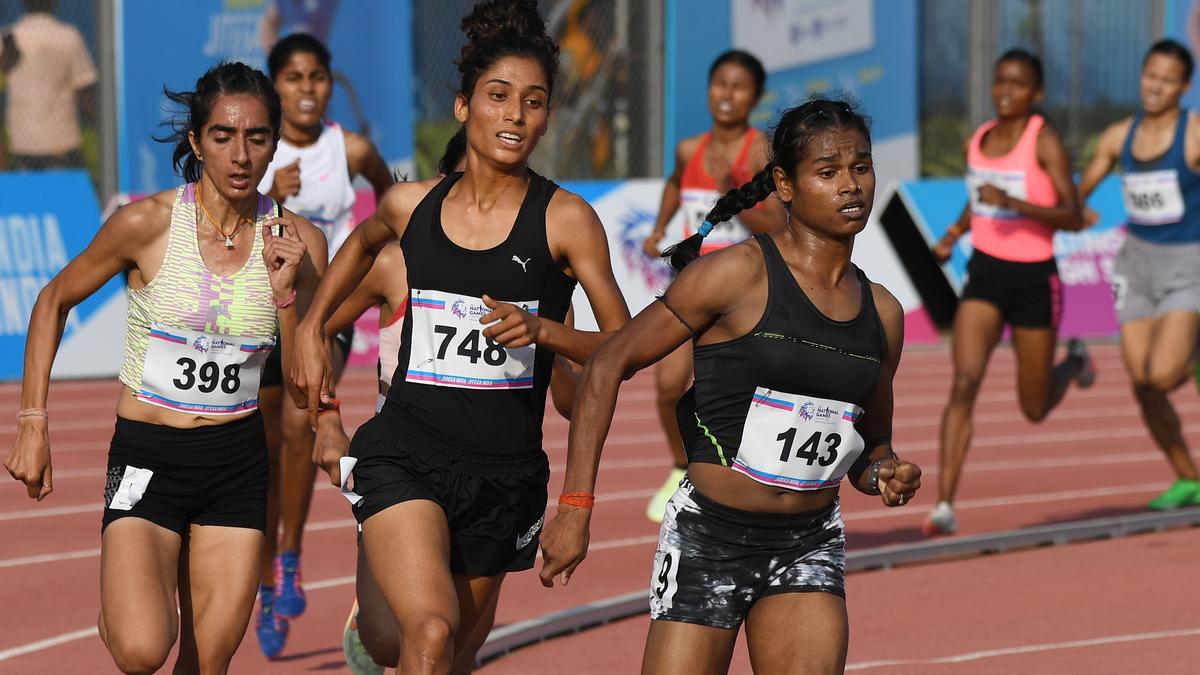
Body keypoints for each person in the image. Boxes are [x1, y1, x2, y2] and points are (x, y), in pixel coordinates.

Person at [291, 1, 631, 672]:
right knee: (428, 632)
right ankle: (395, 569)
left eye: (533, 102)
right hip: (406, 450)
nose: (515, 115)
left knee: (444, 652)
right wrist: (311, 333)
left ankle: (385, 603)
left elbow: (625, 344)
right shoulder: (409, 205)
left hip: (504, 476)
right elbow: (355, 255)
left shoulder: (566, 219)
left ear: (547, 116)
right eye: (498, 96)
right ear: (462, 106)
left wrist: (544, 330)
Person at [539, 98, 922, 674]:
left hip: (808, 541)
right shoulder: (733, 276)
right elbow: (607, 363)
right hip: (710, 535)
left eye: (860, 168)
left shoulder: (883, 313)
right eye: (827, 172)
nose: (850, 186)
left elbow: (871, 445)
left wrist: (884, 473)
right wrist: (575, 506)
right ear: (784, 185)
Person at [2, 62, 325, 674]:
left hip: (236, 465)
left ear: (274, 143)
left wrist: (286, 296)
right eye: (223, 136)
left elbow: (305, 389)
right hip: (147, 459)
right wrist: (33, 422)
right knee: (142, 648)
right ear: (197, 142)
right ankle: (121, 608)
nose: (240, 155)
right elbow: (52, 300)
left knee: (207, 664)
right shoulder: (146, 224)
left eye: (256, 138)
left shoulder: (299, 242)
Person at [252, 32, 393, 658]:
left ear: (330, 85)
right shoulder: (256, 148)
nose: (306, 88)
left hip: (325, 313)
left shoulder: (349, 148)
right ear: (274, 86)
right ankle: (264, 580)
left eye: (316, 77)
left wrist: (380, 255)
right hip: (259, 315)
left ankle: (289, 557)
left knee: (298, 426)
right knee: (262, 452)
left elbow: (392, 200)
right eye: (293, 77)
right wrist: (270, 188)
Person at [924, 49, 1094, 536]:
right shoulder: (979, 139)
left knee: (1033, 408)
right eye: (1000, 81)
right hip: (985, 275)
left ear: (1035, 93)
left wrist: (1015, 202)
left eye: (1017, 84)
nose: (1005, 91)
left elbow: (1073, 215)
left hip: (1035, 279)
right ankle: (944, 505)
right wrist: (954, 234)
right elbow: (978, 199)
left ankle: (1074, 362)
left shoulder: (1045, 141)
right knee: (963, 383)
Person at [639, 49, 787, 523]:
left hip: (743, 292)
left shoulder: (761, 153)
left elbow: (777, 222)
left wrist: (732, 192)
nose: (727, 94)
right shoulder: (689, 149)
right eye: (720, 83)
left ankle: (746, 486)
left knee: (740, 397)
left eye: (738, 86)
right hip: (691, 287)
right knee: (668, 386)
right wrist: (659, 229)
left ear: (755, 97)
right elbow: (674, 183)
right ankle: (680, 466)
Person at [1076, 39, 1200, 510]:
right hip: (1136, 263)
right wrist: (1073, 211)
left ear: (1184, 87)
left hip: (1189, 262)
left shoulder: (1193, 134)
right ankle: (1189, 478)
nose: (1155, 86)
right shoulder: (1118, 136)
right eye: (1151, 76)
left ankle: (1193, 347)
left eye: (1167, 80)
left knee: (1165, 375)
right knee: (1142, 381)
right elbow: (1079, 192)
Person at [1, 0, 97, 171]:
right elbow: (85, 90)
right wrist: (100, 125)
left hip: (21, 143)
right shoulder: (68, 37)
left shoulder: (9, 37)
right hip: (62, 143)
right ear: (53, 3)